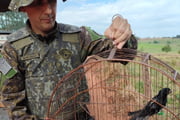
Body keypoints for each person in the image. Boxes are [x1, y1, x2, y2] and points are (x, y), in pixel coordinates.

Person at [0, 0, 137, 119]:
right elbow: (12, 99)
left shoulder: (78, 36)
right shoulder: (12, 48)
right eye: (38, 3)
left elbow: (124, 55)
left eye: (52, 1)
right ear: (23, 8)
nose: (49, 10)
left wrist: (123, 35)